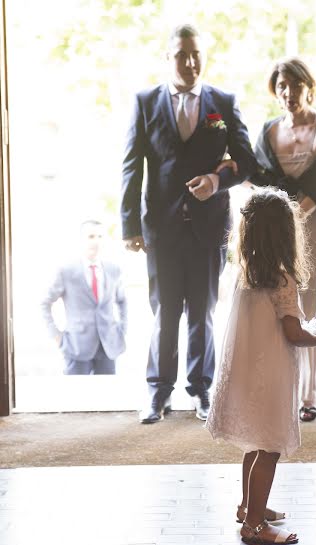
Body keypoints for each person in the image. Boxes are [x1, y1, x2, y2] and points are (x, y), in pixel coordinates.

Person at [121, 24, 256, 424]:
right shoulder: (145, 102)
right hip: (161, 228)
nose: (191, 62)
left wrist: (217, 181)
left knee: (203, 312)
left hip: (209, 226)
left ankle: (201, 390)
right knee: (163, 312)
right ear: (169, 58)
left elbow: (247, 162)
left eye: (196, 54)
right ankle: (157, 393)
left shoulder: (223, 102)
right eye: (182, 55)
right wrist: (130, 225)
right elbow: (131, 167)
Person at [206, 188, 316, 545]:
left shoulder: (246, 275)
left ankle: (250, 507)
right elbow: (293, 333)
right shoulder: (282, 280)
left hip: (248, 372)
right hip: (272, 377)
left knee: (254, 443)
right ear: (286, 233)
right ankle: (255, 527)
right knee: (269, 448)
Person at [251, 57, 316, 422]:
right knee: (277, 297)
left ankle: (310, 392)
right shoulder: (270, 131)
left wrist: (294, 216)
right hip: (275, 225)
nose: (288, 93)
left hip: (313, 221)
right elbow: (258, 176)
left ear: (309, 86)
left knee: (310, 297)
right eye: (282, 86)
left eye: (295, 85)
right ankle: (279, 383)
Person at [41, 219, 128, 375]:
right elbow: (45, 303)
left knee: (107, 396)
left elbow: (122, 301)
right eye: (91, 237)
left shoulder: (114, 270)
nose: (96, 241)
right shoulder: (66, 271)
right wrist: (56, 336)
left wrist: (122, 330)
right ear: (81, 240)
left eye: (100, 237)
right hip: (76, 346)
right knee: (76, 395)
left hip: (108, 346)